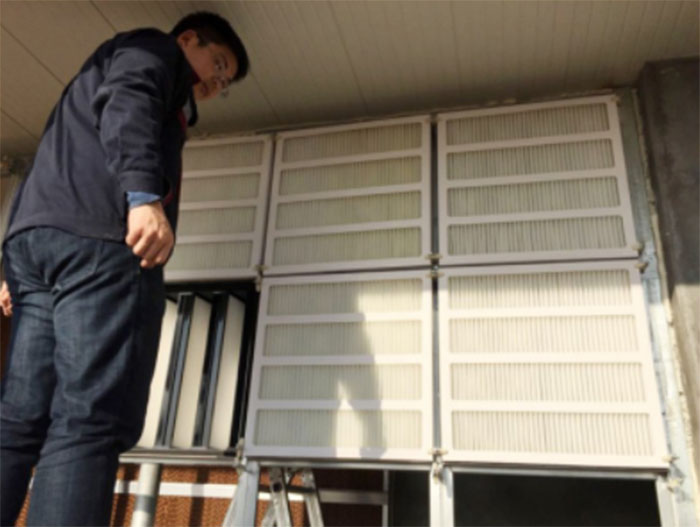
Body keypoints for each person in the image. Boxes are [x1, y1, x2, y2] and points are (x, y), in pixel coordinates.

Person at [0, 12, 249, 526]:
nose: (217, 82)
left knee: (18, 420)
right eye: (219, 64)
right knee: (89, 419)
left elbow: (45, 159)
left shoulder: (95, 81)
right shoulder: (154, 51)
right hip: (99, 243)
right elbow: (130, 100)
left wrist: (10, 265)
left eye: (225, 83)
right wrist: (142, 196)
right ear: (188, 39)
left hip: (39, 249)